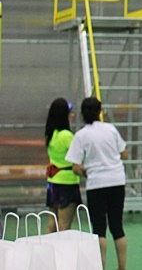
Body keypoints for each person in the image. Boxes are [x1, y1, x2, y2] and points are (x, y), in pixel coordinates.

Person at [66, 97, 128, 270]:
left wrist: (87, 171)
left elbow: (75, 167)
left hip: (96, 184)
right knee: (117, 227)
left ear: (82, 114)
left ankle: (101, 267)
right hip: (117, 181)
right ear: (100, 112)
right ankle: (122, 267)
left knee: (99, 229)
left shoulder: (81, 135)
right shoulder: (111, 129)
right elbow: (124, 154)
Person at [44, 97, 81, 233]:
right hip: (67, 183)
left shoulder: (50, 134)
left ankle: (46, 246)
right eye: (70, 112)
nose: (72, 115)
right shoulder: (67, 136)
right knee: (64, 226)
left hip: (53, 182)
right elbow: (78, 157)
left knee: (52, 223)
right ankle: (62, 248)